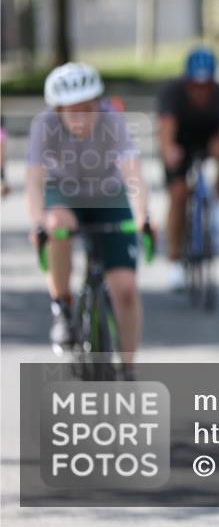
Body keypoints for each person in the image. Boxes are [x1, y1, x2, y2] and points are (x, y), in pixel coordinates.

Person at [26, 62, 152, 374]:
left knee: (125, 288)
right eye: (72, 110)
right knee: (57, 227)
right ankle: (62, 306)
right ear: (58, 109)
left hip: (109, 195)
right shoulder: (44, 125)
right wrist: (38, 220)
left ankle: (127, 368)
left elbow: (132, 171)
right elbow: (34, 180)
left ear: (99, 104)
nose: (81, 117)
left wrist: (142, 215)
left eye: (88, 108)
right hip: (64, 195)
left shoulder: (113, 120)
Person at [158, 47, 219, 290]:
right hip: (180, 142)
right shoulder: (172, 93)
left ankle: (214, 202)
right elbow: (166, 130)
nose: (201, 90)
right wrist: (169, 150)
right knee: (178, 194)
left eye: (206, 85)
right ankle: (174, 261)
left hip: (209, 139)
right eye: (196, 85)